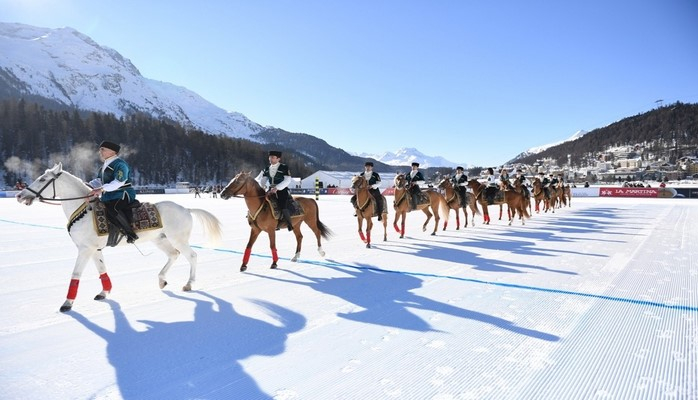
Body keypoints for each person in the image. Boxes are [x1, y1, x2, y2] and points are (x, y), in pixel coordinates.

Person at [88, 140, 139, 243]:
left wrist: (101, 189)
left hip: (122, 194)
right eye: (100, 150)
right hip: (108, 196)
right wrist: (88, 185)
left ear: (112, 152)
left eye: (103, 149)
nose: (100, 152)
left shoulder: (120, 164)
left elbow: (119, 182)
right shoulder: (103, 166)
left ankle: (130, 233)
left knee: (113, 209)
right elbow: (99, 181)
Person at [255, 150, 294, 231]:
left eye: (273, 157)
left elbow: (288, 180)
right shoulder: (266, 169)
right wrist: (263, 186)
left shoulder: (284, 167)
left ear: (278, 159)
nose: (270, 159)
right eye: (269, 157)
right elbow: (263, 179)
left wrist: (277, 188)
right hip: (270, 190)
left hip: (281, 190)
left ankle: (289, 223)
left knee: (282, 204)